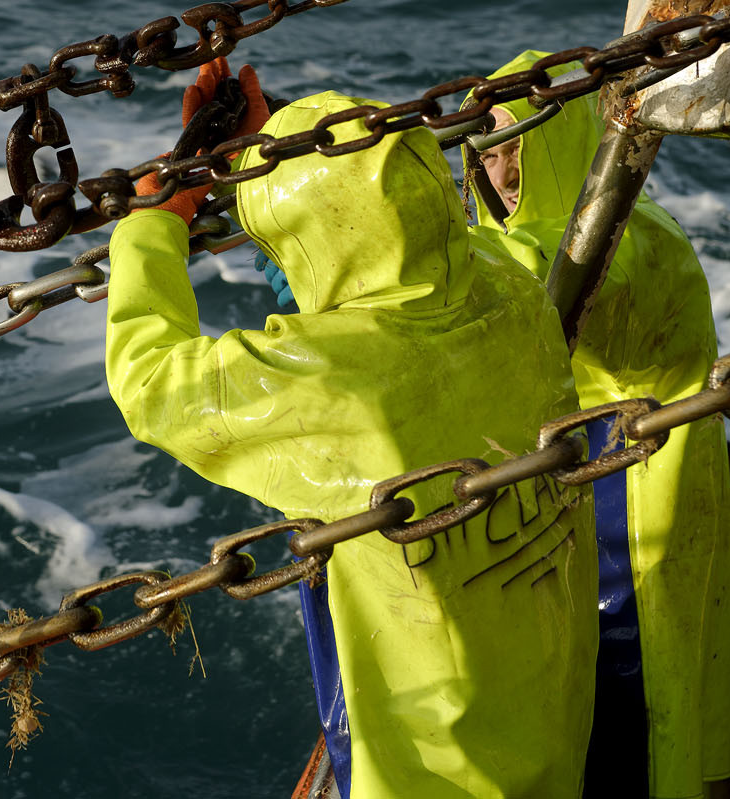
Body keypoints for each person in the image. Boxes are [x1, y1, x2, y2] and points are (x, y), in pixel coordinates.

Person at [105, 58, 599, 798]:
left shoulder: (331, 381)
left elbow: (150, 379)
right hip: (556, 731)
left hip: (427, 778)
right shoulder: (514, 290)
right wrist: (258, 154)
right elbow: (362, 270)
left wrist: (155, 225)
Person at [465, 50, 730, 799]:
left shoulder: (641, 242)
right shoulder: (488, 262)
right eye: (487, 144)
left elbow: (541, 282)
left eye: (520, 139)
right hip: (556, 548)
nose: (501, 166)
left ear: (565, 140)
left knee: (643, 752)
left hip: (638, 552)